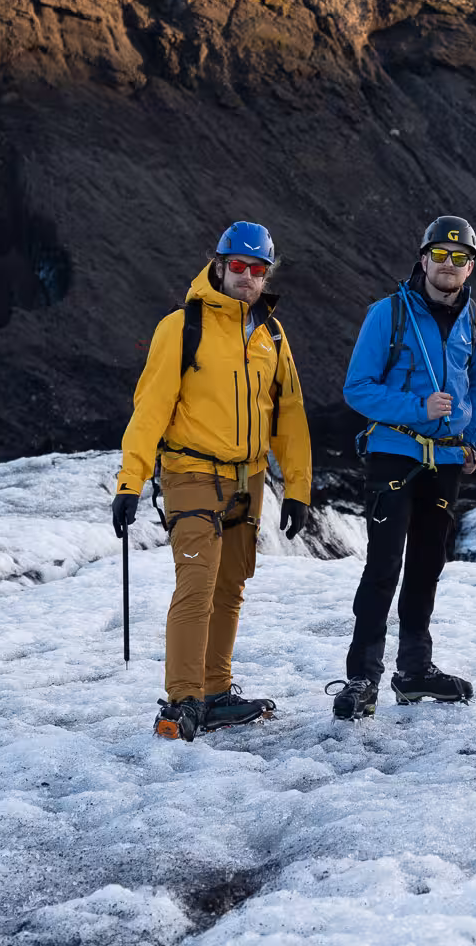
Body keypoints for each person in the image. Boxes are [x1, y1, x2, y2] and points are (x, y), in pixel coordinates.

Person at [110, 221, 313, 742]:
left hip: (248, 480)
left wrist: (298, 489)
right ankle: (181, 703)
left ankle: (215, 693)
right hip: (191, 472)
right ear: (219, 266)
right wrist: (130, 480)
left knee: (229, 588)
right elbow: (150, 408)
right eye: (239, 267)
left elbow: (289, 413)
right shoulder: (181, 328)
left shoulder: (272, 333)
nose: (247, 278)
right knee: (196, 585)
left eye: (258, 270)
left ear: (267, 275)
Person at [329, 217, 476, 719]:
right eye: (440, 255)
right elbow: (357, 388)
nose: (449, 266)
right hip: (395, 452)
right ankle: (362, 677)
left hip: (445, 458)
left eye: (460, 257)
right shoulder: (388, 314)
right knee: (383, 567)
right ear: (423, 259)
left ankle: (414, 671)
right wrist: (417, 408)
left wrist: (469, 437)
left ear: (470, 267)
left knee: (427, 567)